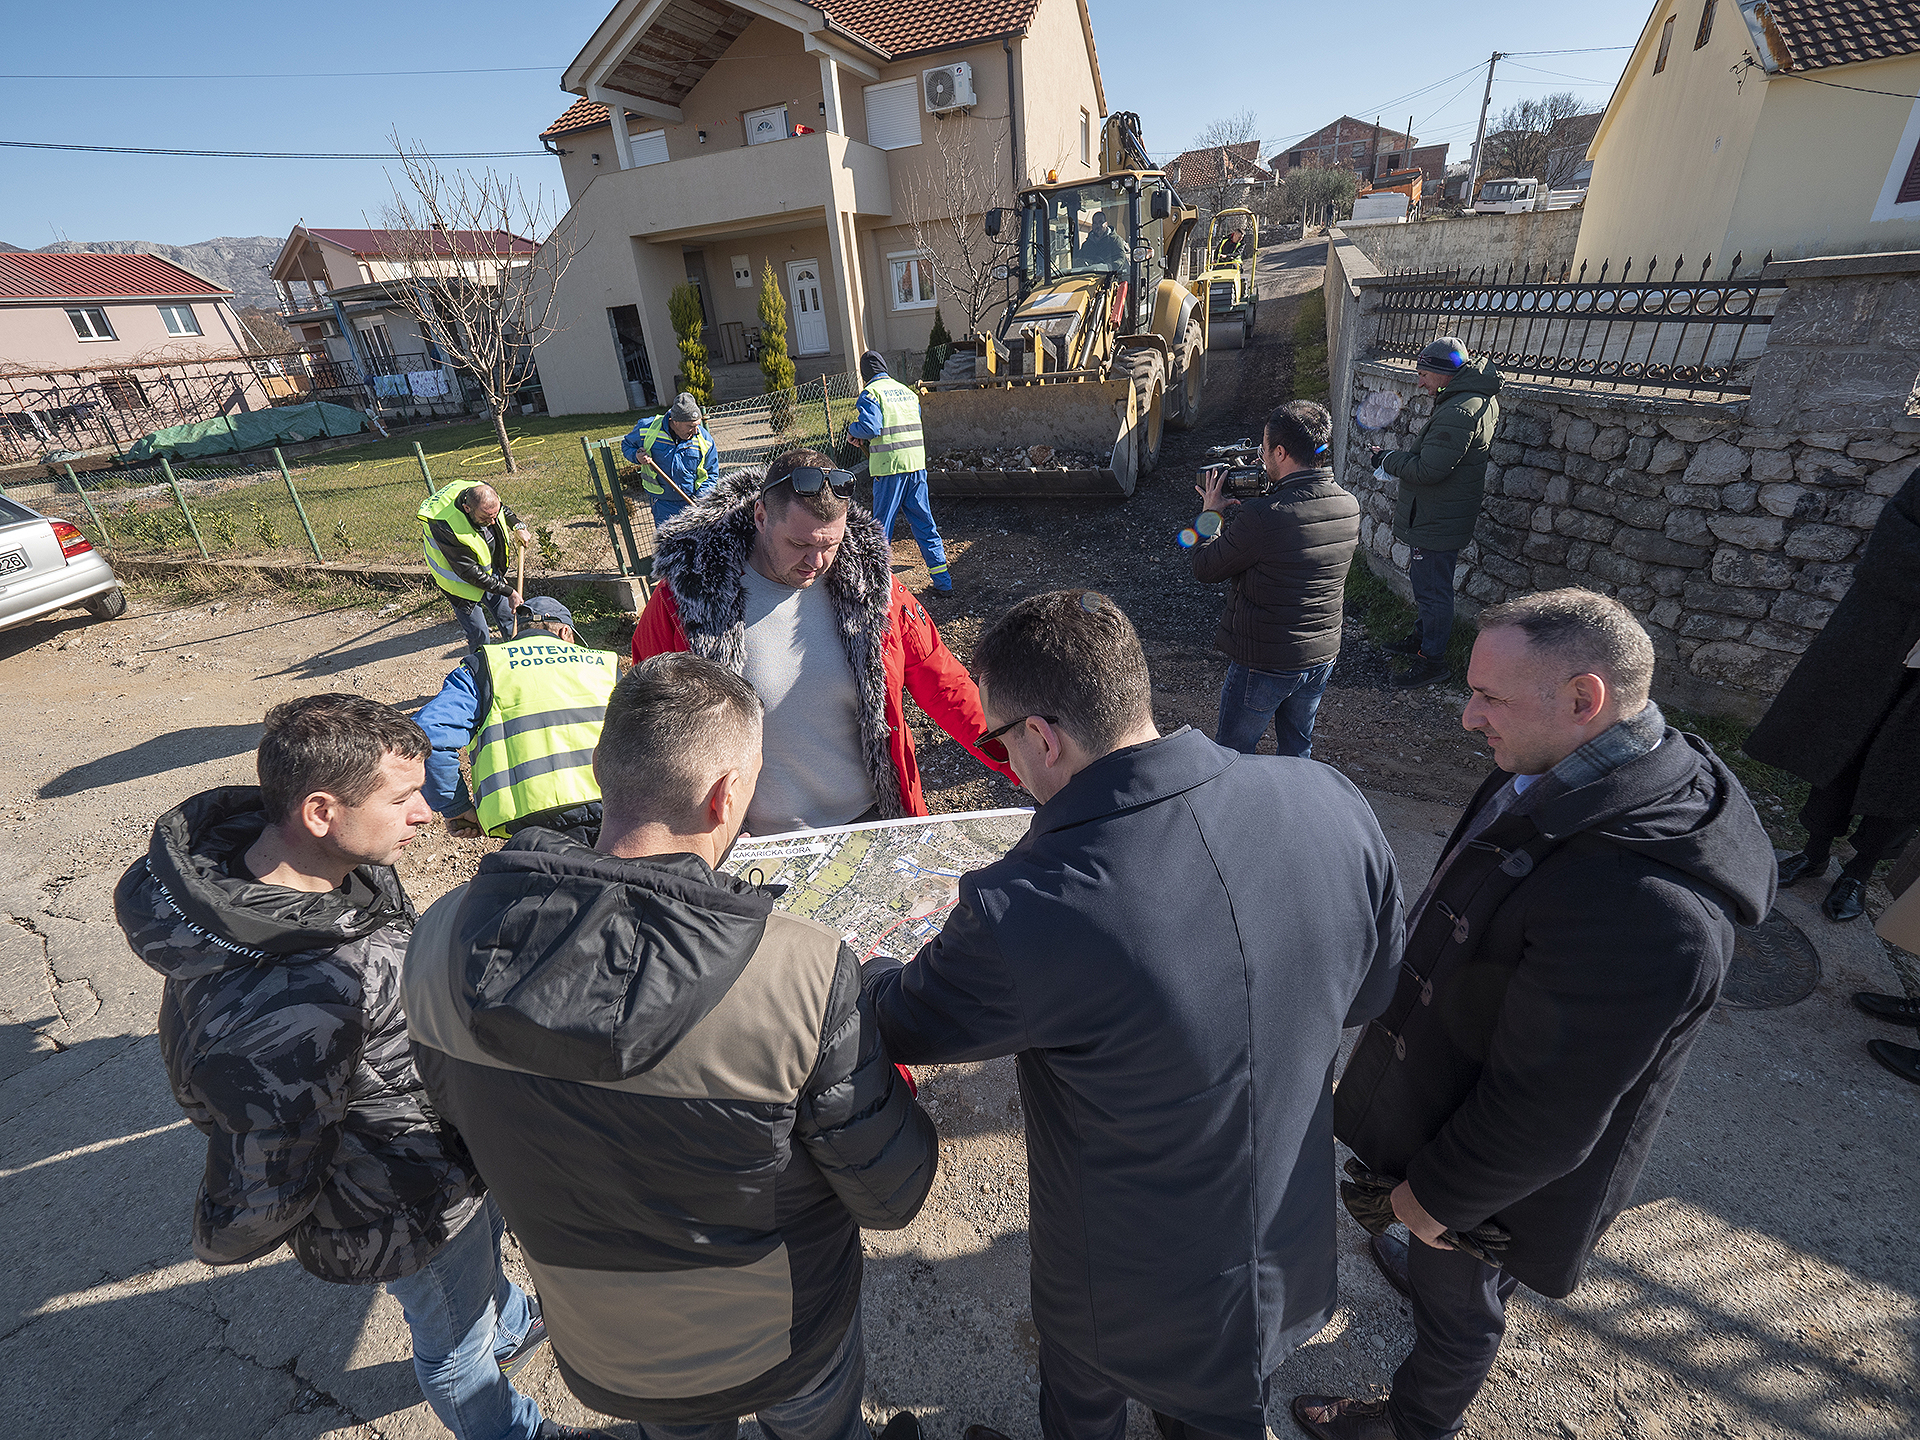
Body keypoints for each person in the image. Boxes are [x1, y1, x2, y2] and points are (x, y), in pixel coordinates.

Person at [865, 590, 1404, 1440]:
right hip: (1285, 1252)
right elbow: (1370, 993)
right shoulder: (1327, 797)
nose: (1004, 759)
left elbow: (906, 1022)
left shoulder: (1028, 905)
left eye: (996, 741)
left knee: (1083, 1411)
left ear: (1043, 736)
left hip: (1117, 1290)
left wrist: (873, 964)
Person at [404, 652, 936, 1440]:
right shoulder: (800, 971)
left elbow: (462, 1135)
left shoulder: (440, 938)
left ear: (599, 767)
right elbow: (893, 1195)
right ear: (728, 793)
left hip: (606, 1348)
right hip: (783, 1340)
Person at [1292, 589, 1776, 1440]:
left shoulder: (1643, 907)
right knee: (1453, 1272)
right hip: (1457, 1085)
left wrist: (1434, 1203)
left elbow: (1546, 1115)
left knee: (1462, 1304)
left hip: (1481, 1169)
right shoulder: (1573, 762)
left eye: (1490, 697)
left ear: (1586, 699)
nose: (1469, 718)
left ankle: (1412, 1425)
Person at [114, 694, 600, 1440]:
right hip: (399, 1196)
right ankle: (511, 1429)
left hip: (444, 1144)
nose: (428, 814)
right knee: (453, 1345)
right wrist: (223, 1235)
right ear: (319, 810)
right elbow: (266, 1168)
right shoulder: (293, 1001)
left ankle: (506, 1318)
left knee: (477, 1274)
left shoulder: (335, 874)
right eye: (404, 797)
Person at [629, 449, 1016, 835]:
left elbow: (947, 686)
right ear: (761, 516)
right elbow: (649, 728)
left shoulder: (876, 591)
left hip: (876, 821)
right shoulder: (682, 604)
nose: (816, 561)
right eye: (799, 545)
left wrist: (1024, 760)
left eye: (829, 544)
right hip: (753, 842)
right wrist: (692, 825)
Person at [1743, 468, 1919, 927]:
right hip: (1881, 638)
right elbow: (1891, 544)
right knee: (1842, 747)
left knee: (1905, 772)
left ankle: (1858, 874)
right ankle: (1815, 852)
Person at [1189, 400, 1358, 757]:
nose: (1260, 457)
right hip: (1321, 656)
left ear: (1280, 451)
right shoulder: (1348, 505)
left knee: (1233, 754)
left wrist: (1210, 515)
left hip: (1265, 661)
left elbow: (1205, 567)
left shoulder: (1262, 517)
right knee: (1298, 749)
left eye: (1264, 449)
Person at [416, 594, 619, 841]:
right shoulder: (605, 665)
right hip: (612, 813)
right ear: (566, 632)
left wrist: (456, 806)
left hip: (531, 829)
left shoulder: (485, 667)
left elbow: (429, 733)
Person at [1366, 337, 1502, 691]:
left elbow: (1429, 470)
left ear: (1443, 374)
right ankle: (1422, 640)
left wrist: (1387, 459)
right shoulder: (1469, 400)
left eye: (1424, 374)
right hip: (1442, 512)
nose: (1420, 382)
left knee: (1433, 591)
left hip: (1437, 517)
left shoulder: (1458, 411)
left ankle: (1433, 662)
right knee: (1428, 585)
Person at [847, 349, 950, 591]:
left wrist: (854, 430)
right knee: (925, 523)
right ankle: (944, 582)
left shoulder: (870, 393)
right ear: (884, 369)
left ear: (865, 375)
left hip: (889, 469)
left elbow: (871, 427)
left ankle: (877, 587)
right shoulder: (908, 392)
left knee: (882, 529)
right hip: (915, 467)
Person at [420, 481, 530, 652]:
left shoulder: (484, 496)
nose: (493, 522)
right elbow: (469, 572)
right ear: (467, 508)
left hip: (488, 573)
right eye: (485, 518)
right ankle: (481, 674)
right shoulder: (445, 525)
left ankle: (516, 666)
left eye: (494, 515)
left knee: (509, 620)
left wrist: (518, 525)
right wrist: (509, 591)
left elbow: (502, 511)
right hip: (460, 583)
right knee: (479, 636)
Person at [622, 391, 718, 534]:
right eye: (690, 426)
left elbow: (711, 473)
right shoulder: (647, 429)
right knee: (670, 548)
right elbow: (627, 445)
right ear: (675, 421)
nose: (696, 430)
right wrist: (637, 456)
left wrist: (701, 501)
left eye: (697, 424)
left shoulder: (704, 439)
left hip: (693, 503)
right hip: (663, 504)